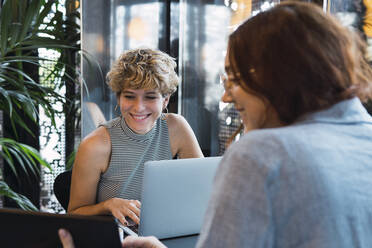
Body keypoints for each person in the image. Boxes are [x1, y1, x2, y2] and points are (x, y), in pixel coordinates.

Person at [60, 1, 372, 247]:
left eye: (235, 79)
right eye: (130, 96)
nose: (224, 97)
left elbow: (201, 198)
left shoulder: (261, 153)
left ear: (277, 79)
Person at [68, 48, 203, 226]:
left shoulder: (176, 128)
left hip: (165, 234)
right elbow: (74, 215)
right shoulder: (95, 145)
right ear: (118, 98)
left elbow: (202, 191)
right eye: (130, 96)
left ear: (165, 100)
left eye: (150, 97)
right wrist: (108, 206)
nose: (139, 108)